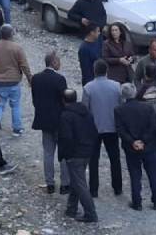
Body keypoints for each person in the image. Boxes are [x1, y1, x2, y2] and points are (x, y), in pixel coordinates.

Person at [116, 82, 156, 210]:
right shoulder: (147, 108)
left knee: (135, 174)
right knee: (153, 174)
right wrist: (143, 141)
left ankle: (137, 202)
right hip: (148, 145)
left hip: (131, 147)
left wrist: (133, 142)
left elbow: (120, 130)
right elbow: (152, 127)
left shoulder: (119, 110)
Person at [84, 60, 124, 198]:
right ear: (107, 71)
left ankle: (93, 189)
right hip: (112, 127)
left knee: (93, 160)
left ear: (94, 71)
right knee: (115, 158)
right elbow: (121, 106)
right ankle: (117, 187)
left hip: (94, 128)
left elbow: (85, 110)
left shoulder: (88, 87)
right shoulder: (117, 86)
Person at [32, 51, 70, 194]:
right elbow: (65, 100)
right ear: (53, 62)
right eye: (58, 61)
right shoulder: (60, 79)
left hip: (44, 120)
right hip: (59, 120)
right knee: (63, 153)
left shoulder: (36, 78)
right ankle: (65, 184)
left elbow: (35, 99)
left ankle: (50, 184)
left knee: (48, 153)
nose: (60, 63)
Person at [59, 89, 99, 223]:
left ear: (63, 100)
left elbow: (66, 138)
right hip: (87, 151)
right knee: (76, 181)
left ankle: (91, 213)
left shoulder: (65, 116)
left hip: (75, 154)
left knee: (80, 184)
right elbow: (94, 131)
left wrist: (65, 154)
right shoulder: (87, 113)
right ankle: (71, 208)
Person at [0, 25, 31, 136]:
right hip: (13, 81)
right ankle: (17, 129)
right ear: (11, 34)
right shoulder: (17, 47)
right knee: (15, 106)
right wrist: (30, 79)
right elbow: (24, 65)